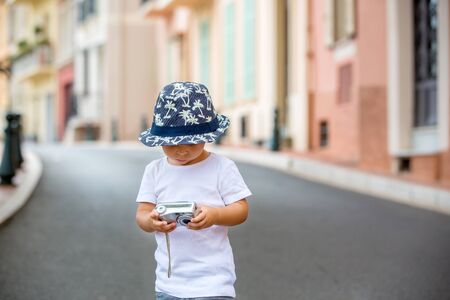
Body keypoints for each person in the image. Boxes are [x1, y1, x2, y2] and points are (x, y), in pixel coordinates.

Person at [135, 82, 252, 300]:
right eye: (171, 143)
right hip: (169, 283)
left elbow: (241, 209)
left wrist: (215, 215)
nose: (181, 149)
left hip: (214, 283)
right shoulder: (154, 171)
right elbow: (142, 213)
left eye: (191, 141)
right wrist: (151, 222)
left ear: (208, 135)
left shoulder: (222, 168)